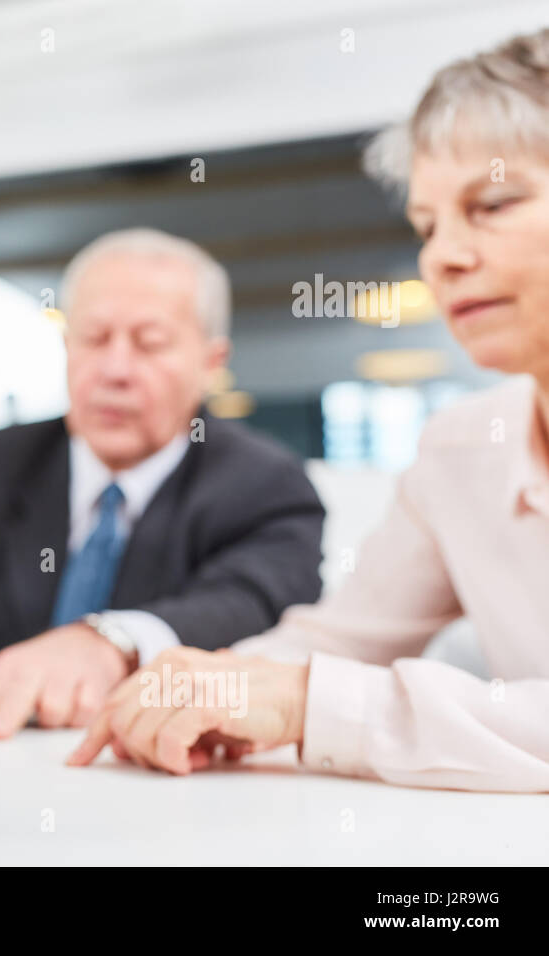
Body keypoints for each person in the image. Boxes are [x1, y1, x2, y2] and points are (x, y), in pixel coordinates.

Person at [70, 29, 549, 793]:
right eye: (427, 226)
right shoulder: (461, 450)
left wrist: (306, 703)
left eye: (491, 204)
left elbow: (317, 690)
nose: (443, 256)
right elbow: (342, 640)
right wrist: (215, 688)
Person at [0, 229, 325, 739]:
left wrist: (112, 642)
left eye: (151, 344)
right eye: (93, 338)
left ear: (210, 364)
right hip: (4, 752)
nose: (115, 370)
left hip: (165, 755)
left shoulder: (266, 484)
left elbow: (250, 602)